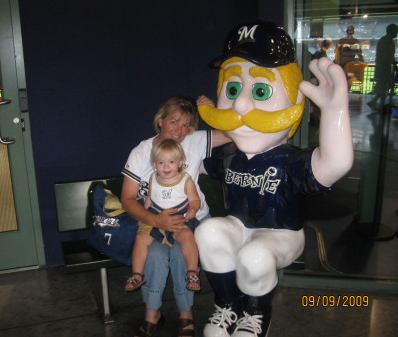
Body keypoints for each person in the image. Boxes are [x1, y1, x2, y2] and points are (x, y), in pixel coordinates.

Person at [195, 22, 353, 337]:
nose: (240, 105)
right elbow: (191, 165)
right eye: (234, 88)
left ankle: (256, 315)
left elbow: (335, 163)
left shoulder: (290, 161)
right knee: (210, 230)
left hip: (281, 235)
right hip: (239, 228)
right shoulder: (229, 155)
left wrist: (335, 112)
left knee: (255, 255)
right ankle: (229, 306)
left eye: (261, 90)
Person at [121, 94, 231, 337]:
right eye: (174, 122)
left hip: (192, 217)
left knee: (182, 254)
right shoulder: (141, 151)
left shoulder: (195, 141)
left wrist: (213, 112)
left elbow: (234, 133)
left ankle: (186, 313)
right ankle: (153, 313)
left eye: (186, 124)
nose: (180, 131)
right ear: (160, 121)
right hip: (152, 220)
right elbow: (127, 199)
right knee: (155, 257)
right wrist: (156, 220)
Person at [125, 138, 201, 293]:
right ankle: (137, 274)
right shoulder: (153, 178)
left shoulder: (186, 180)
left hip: (179, 216)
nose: (166, 167)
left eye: (171, 162)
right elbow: (149, 199)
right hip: (156, 216)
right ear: (154, 164)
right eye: (161, 163)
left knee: (187, 235)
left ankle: (192, 272)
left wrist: (193, 209)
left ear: (180, 163)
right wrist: (143, 216)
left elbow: (194, 199)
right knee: (140, 238)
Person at [368, 23, 398, 111]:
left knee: (384, 88)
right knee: (383, 88)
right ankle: (379, 104)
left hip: (385, 68)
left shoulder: (388, 41)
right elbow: (385, 57)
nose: (396, 33)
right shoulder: (385, 41)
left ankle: (378, 104)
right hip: (383, 69)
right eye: (395, 31)